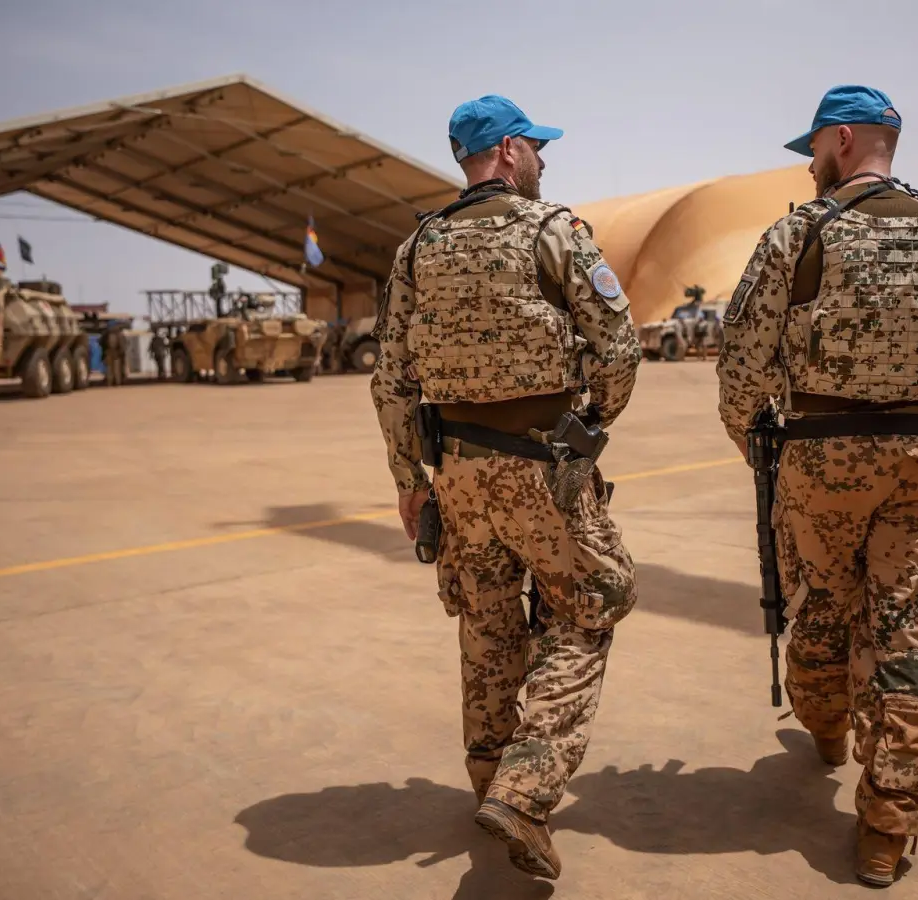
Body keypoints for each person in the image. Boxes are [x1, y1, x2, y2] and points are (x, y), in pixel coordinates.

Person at [716, 84, 918, 887]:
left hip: (817, 465)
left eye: (812, 146)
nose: (809, 162)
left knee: (819, 607)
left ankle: (826, 724)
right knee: (905, 635)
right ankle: (888, 826)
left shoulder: (796, 236)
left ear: (842, 140)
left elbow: (741, 367)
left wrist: (755, 446)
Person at [369, 94, 641, 881]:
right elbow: (619, 349)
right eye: (538, 148)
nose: (545, 162)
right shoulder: (554, 230)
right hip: (544, 465)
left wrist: (408, 479)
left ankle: (490, 777)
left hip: (456, 470)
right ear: (511, 150)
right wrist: (588, 429)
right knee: (589, 611)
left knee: (486, 621)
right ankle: (525, 792)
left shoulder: (417, 248)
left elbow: (390, 381)